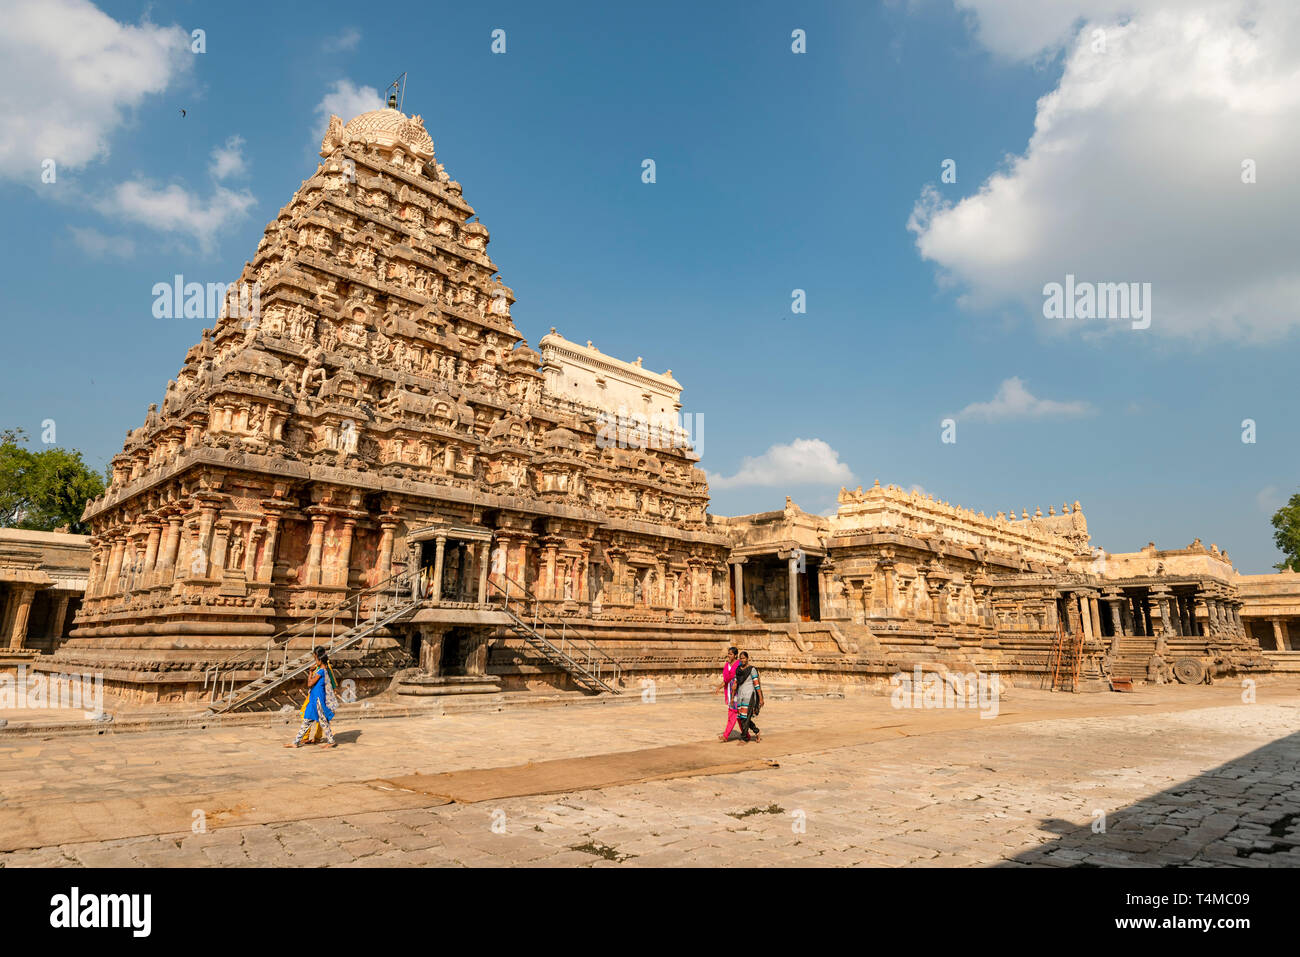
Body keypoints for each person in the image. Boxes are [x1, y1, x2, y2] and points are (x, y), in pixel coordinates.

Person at [285, 647, 337, 748]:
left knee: (319, 721)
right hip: (314, 699)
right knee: (308, 720)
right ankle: (295, 742)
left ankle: (330, 741)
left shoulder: (321, 671)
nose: (315, 661)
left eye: (316, 659)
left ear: (320, 660)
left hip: (318, 701)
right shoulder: (321, 670)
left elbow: (309, 683)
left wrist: (309, 672)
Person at [732, 651, 764, 742]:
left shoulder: (752, 669)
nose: (742, 660)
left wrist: (760, 698)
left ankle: (744, 738)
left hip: (749, 695)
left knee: (747, 717)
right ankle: (756, 731)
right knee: (742, 717)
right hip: (740, 696)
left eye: (744, 658)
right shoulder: (738, 670)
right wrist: (732, 697)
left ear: (747, 658)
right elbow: (735, 683)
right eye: (741, 658)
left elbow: (757, 685)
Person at [715, 646, 739, 742]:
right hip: (729, 693)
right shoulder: (727, 665)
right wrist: (719, 687)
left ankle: (726, 735)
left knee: (733, 714)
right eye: (728, 653)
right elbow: (726, 680)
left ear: (735, 655)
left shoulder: (739, 665)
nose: (728, 655)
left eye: (731, 654)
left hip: (737, 693)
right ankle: (748, 735)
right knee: (739, 716)